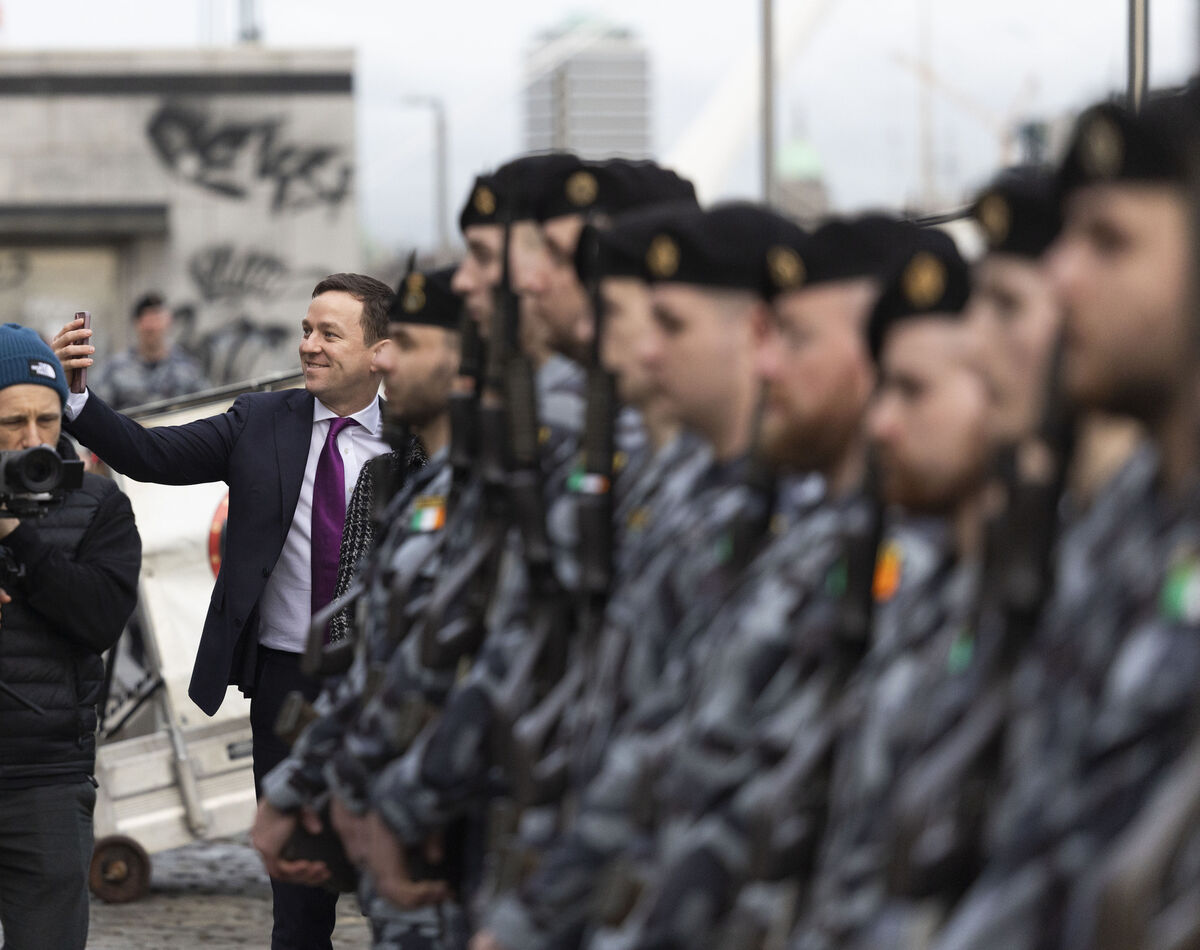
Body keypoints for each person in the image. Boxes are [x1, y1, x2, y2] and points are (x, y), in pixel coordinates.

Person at [50, 272, 395, 950]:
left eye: (330, 333)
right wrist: (77, 397)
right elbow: (150, 455)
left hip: (389, 693)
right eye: (305, 330)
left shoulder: (419, 440)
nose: (309, 346)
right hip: (285, 686)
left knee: (397, 885)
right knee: (298, 894)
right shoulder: (262, 421)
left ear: (380, 350)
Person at [255, 264, 468, 950]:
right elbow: (363, 649)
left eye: (402, 342)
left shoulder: (504, 491)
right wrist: (304, 783)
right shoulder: (393, 479)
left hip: (461, 807)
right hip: (390, 795)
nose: (385, 359)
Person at [0, 324, 141, 950]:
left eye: (48, 419)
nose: (33, 439)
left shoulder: (98, 505)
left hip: (46, 778)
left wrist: (15, 537)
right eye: (12, 423)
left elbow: (99, 620)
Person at [89, 292, 211, 410]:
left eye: (157, 318)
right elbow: (98, 412)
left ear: (169, 321)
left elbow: (206, 405)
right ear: (137, 324)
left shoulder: (188, 367)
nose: (152, 326)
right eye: (146, 320)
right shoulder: (113, 369)